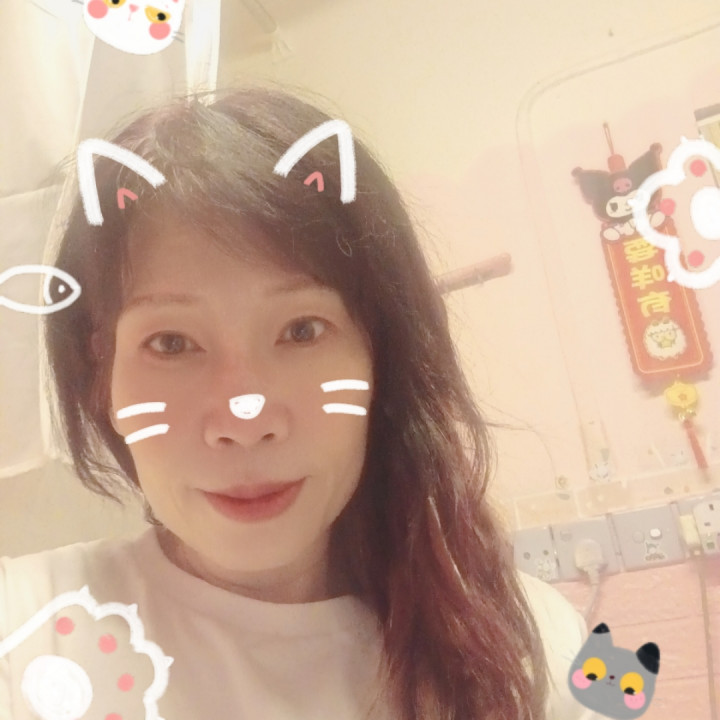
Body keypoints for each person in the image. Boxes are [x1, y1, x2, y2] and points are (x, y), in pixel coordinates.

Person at [0, 86, 592, 720]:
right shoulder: (23, 632)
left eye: (302, 330)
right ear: (103, 378)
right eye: (171, 343)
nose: (244, 420)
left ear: (380, 359)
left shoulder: (531, 651)